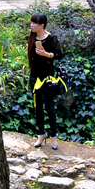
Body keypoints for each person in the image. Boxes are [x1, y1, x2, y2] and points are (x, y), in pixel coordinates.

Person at [27, 12, 65, 150]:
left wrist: (47, 54)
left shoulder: (51, 38)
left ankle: (53, 136)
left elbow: (59, 55)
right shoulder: (32, 38)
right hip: (35, 76)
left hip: (48, 78)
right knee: (38, 107)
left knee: (49, 107)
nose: (31, 25)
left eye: (33, 23)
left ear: (41, 25)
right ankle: (41, 134)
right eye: (31, 23)